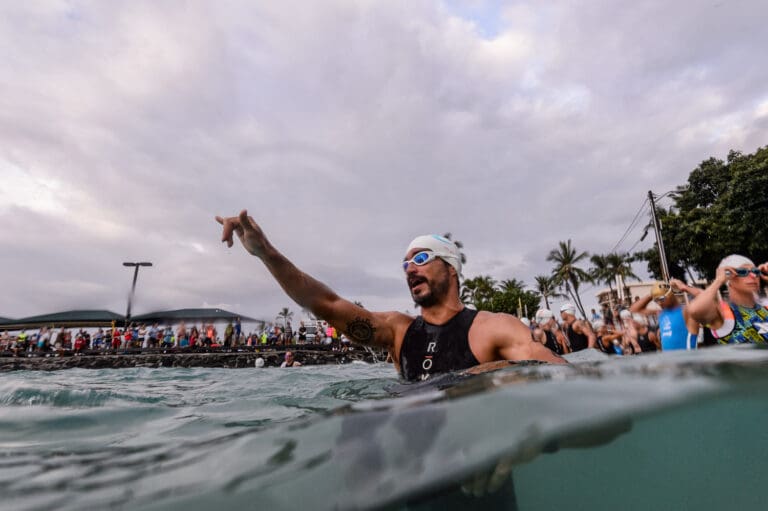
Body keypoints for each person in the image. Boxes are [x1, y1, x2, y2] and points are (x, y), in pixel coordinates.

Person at [216, 210, 566, 381]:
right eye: (405, 263)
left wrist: (500, 374)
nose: (410, 268)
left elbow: (564, 379)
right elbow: (326, 305)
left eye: (422, 258)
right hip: (410, 475)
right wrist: (267, 254)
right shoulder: (397, 331)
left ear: (452, 269)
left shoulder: (493, 328)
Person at [688, 255, 768, 344]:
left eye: (756, 271)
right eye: (742, 271)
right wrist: (718, 281)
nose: (753, 275)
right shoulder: (724, 312)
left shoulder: (765, 309)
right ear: (728, 277)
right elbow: (695, 310)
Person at [630, 279, 701, 351]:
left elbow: (707, 297)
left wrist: (684, 287)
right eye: (656, 300)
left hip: (688, 359)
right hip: (669, 360)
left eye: (661, 299)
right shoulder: (660, 313)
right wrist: (652, 294)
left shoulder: (687, 311)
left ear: (670, 295)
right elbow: (634, 309)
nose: (659, 303)